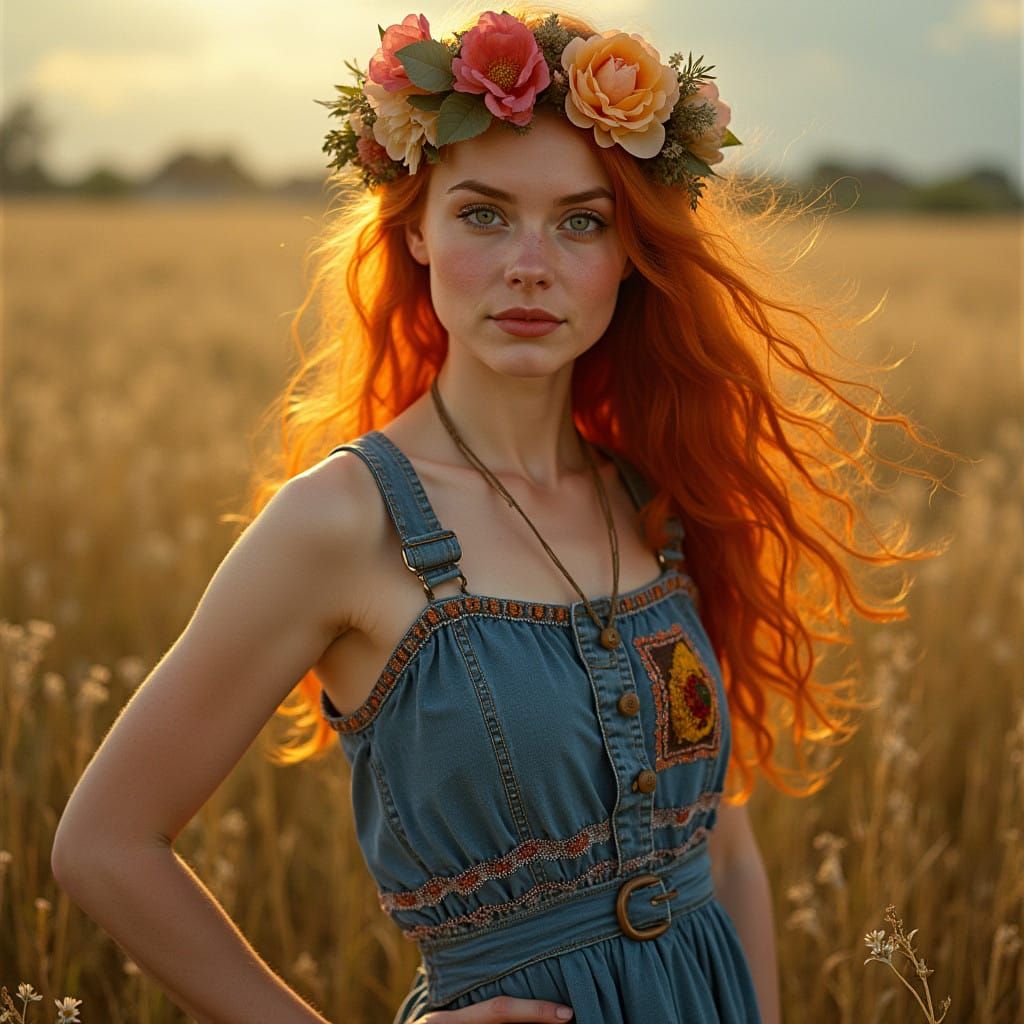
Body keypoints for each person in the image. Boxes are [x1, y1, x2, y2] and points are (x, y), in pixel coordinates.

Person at [51, 6, 951, 1023]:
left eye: (581, 221)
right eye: (483, 213)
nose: (532, 262)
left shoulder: (651, 497)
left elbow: (724, 847)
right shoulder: (340, 522)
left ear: (629, 256)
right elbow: (103, 843)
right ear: (418, 234)